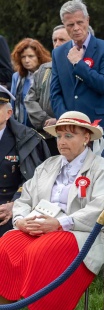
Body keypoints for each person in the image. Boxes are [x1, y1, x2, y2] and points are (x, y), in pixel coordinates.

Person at [0, 111, 104, 310]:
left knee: (43, 253)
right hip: (39, 227)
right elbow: (25, 197)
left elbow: (102, 209)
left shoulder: (103, 168)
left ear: (86, 137)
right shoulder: (48, 165)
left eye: (69, 136)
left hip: (81, 232)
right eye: (59, 136)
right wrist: (20, 220)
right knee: (5, 245)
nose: (61, 141)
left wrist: (60, 224)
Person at [50, 0, 104, 168]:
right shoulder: (58, 53)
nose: (75, 28)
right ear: (64, 25)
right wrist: (67, 121)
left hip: (101, 128)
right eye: (70, 25)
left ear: (87, 20)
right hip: (71, 131)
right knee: (74, 183)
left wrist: (79, 64)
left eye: (79, 22)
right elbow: (55, 93)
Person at [0, 86, 50, 237]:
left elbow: (32, 180)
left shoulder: (25, 140)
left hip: (9, 206)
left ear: (8, 113)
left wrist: (14, 205)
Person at [24, 26, 71, 155]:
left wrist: (60, 121)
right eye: (54, 40)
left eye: (62, 39)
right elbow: (30, 99)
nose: (57, 44)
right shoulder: (44, 70)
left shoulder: (80, 68)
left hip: (72, 134)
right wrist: (46, 120)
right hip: (46, 137)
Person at [10, 38, 51, 128]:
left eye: (31, 56)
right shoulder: (17, 77)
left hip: (44, 125)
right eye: (23, 57)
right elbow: (12, 103)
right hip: (22, 126)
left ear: (39, 57)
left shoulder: (48, 75)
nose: (26, 60)